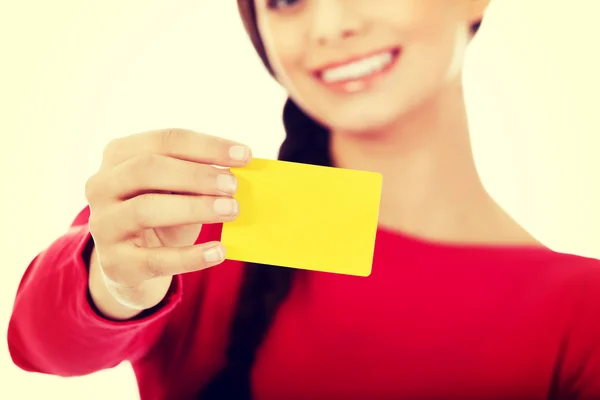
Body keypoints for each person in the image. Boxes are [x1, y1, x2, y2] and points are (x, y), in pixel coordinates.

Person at [8, 0, 600, 399]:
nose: (329, 25)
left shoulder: (580, 312)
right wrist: (113, 284)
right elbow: (40, 343)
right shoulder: (192, 226)